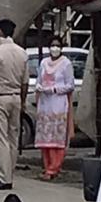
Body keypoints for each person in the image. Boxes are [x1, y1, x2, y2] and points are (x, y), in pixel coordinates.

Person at [0, 18, 28, 191]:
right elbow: (25, 82)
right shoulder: (22, 52)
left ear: (0, 32)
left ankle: (4, 177)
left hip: (0, 97)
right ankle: (9, 174)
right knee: (13, 138)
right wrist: (23, 101)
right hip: (16, 97)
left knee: (1, 139)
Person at [35, 40, 76, 180]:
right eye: (52, 45)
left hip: (58, 104)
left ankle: (54, 168)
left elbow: (70, 85)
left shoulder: (66, 64)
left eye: (57, 46)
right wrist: (39, 87)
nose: (55, 48)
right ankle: (47, 167)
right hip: (45, 105)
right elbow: (39, 80)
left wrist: (55, 89)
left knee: (56, 139)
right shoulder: (43, 63)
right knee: (45, 139)